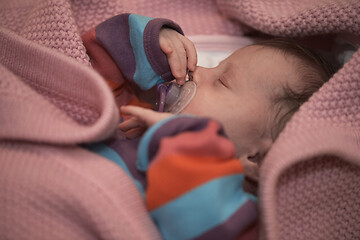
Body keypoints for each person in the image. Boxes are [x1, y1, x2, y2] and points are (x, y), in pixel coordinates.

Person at [82, 13, 334, 240]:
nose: (199, 71)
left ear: (256, 157)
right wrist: (152, 47)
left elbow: (190, 223)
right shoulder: (141, 114)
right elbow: (87, 71)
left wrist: (177, 136)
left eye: (222, 81)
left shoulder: (232, 217)